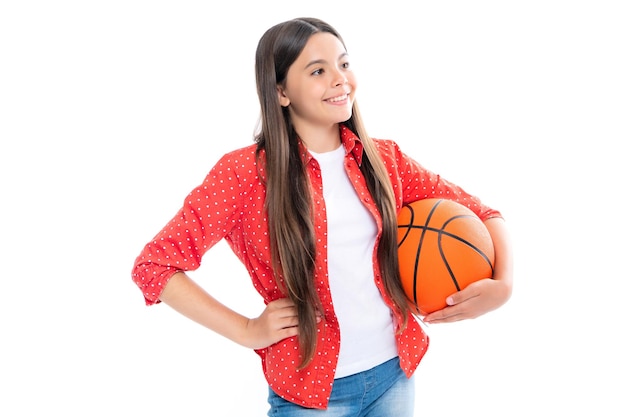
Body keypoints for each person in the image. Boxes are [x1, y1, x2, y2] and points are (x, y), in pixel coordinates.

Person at [131, 17, 513, 416]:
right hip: (311, 396)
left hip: (394, 374)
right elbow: (154, 266)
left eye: (344, 64)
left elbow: (483, 213)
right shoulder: (244, 174)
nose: (340, 79)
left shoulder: (384, 159)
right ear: (281, 91)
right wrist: (248, 330)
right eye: (318, 70)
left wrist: (503, 286)